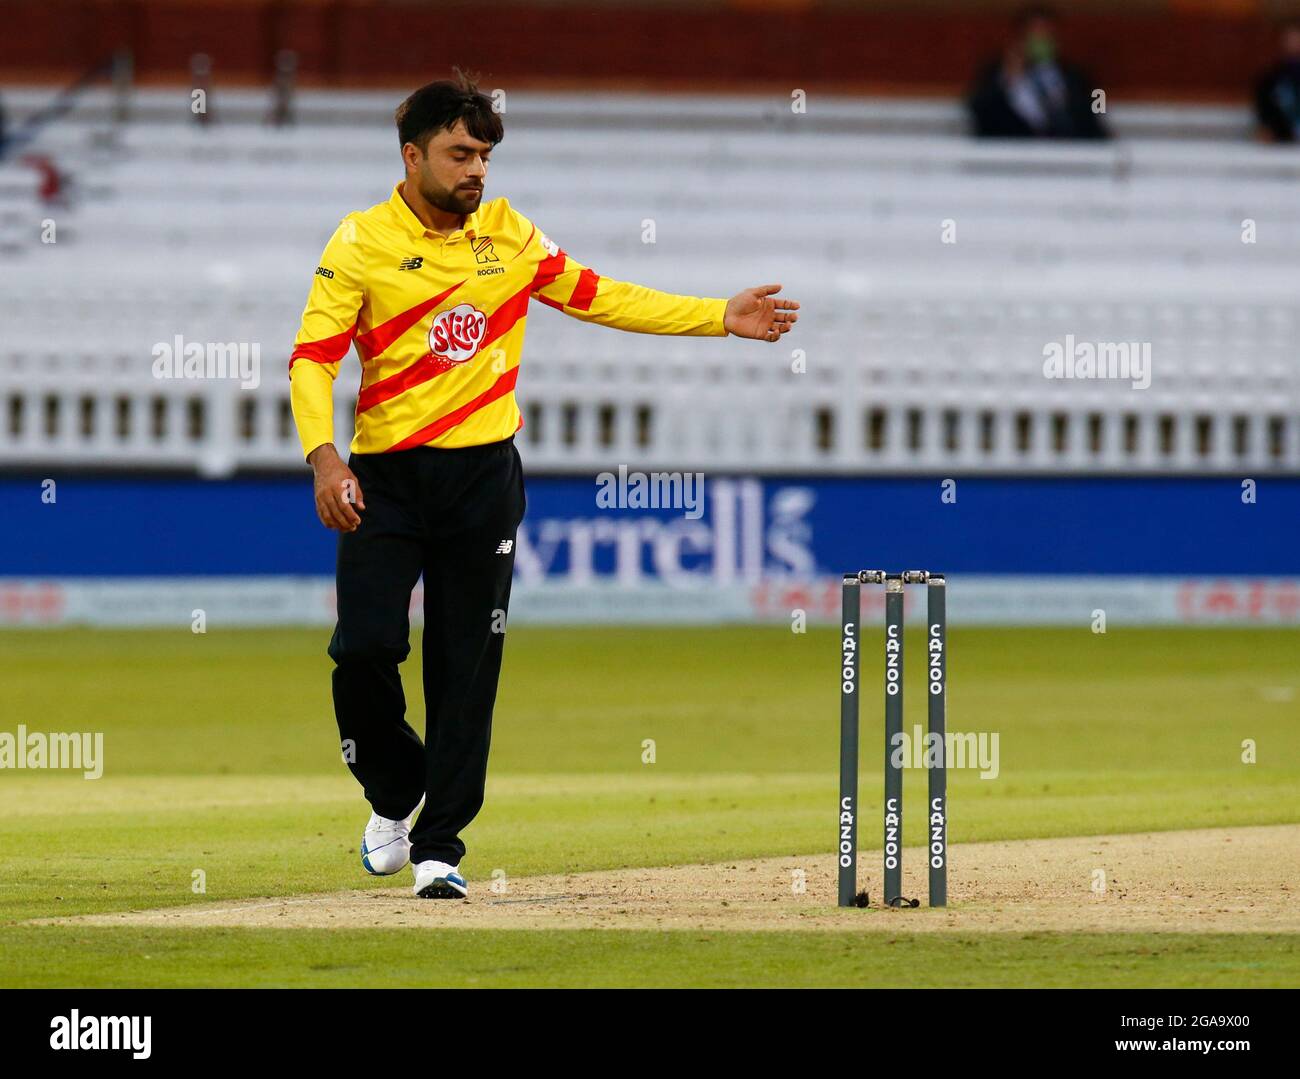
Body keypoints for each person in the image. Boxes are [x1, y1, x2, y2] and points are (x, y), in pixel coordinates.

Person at [288, 73, 799, 900]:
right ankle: (396, 790)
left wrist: (716, 315)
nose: (476, 170)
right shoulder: (360, 242)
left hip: (484, 476)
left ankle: (440, 847)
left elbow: (600, 295)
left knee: (466, 662)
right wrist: (325, 458)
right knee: (363, 652)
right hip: (383, 478)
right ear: (412, 154)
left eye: (484, 155)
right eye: (459, 153)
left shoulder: (509, 236)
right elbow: (313, 359)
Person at [967, 5, 1108, 139]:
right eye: (1035, 34)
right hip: (1012, 154)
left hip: (1066, 154)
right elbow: (978, 110)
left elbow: (1096, 112)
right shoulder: (996, 74)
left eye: (1048, 34)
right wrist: (1008, 79)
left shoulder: (1076, 76)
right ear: (1020, 38)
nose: (1042, 40)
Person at [1254, 20, 1300, 143]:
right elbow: (1265, 104)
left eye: (1297, 39)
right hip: (1283, 134)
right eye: (1290, 39)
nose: (1294, 43)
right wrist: (1266, 126)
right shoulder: (1272, 77)